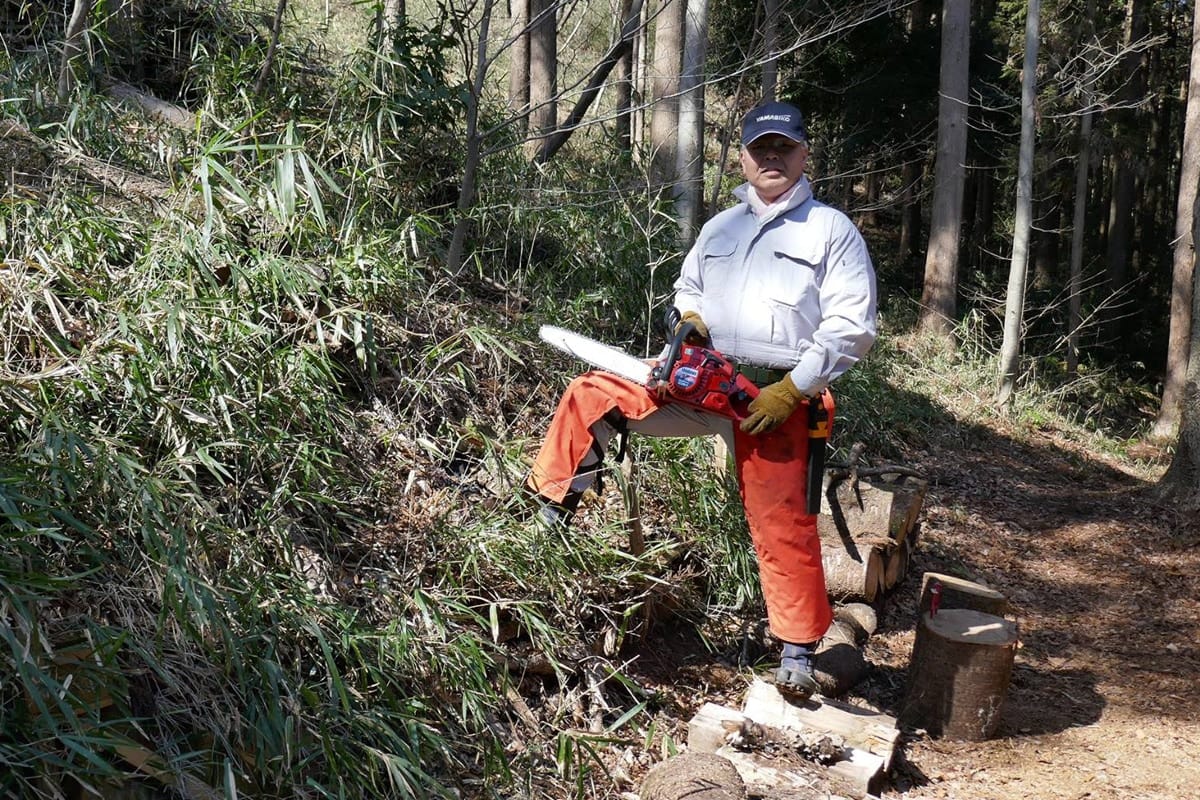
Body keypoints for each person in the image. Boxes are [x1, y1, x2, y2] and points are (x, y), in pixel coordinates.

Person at [525, 101, 877, 699]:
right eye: (760, 148)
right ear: (741, 155)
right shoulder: (721, 228)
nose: (771, 158)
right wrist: (689, 319)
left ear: (802, 155)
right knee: (592, 394)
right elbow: (689, 287)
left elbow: (852, 325)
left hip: (777, 392)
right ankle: (546, 525)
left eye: (783, 148)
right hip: (703, 378)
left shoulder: (830, 231)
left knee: (782, 519)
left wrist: (795, 388)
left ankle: (795, 649)